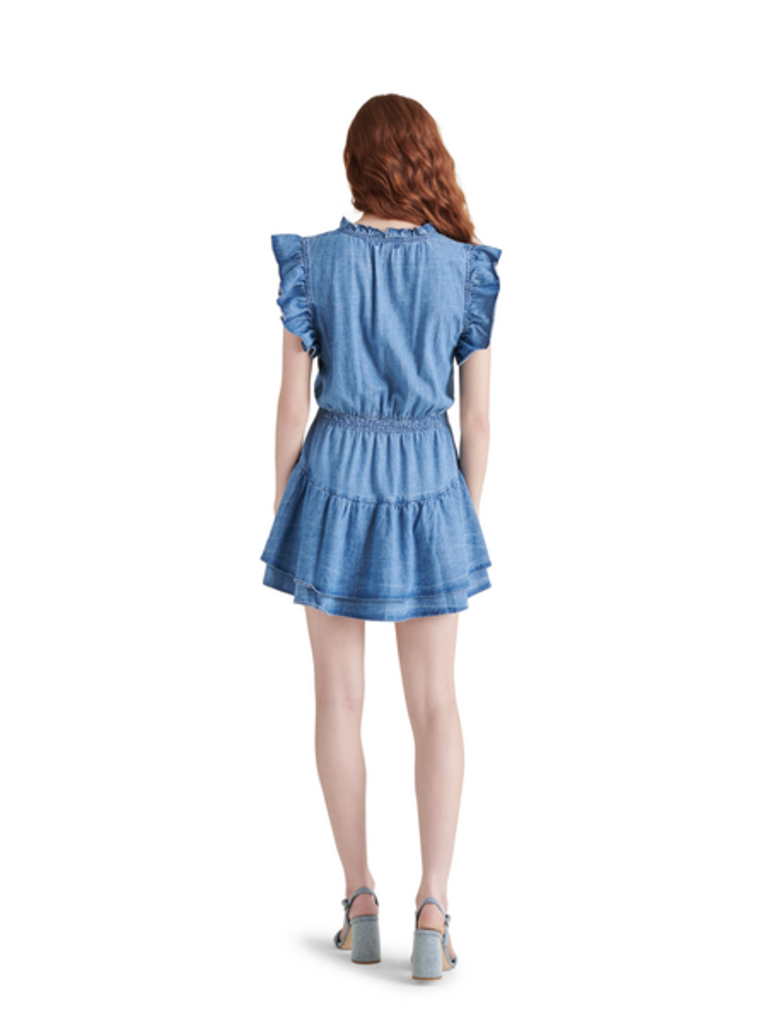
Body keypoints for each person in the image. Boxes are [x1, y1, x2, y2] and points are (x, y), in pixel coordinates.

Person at [261, 94, 502, 980]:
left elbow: (290, 408)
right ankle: (432, 908)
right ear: (425, 159)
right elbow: (479, 420)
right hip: (429, 482)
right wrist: (462, 514)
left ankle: (359, 899)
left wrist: (287, 509)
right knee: (436, 702)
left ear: (356, 165)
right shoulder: (465, 268)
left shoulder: (313, 262)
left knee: (338, 700)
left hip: (333, 479)